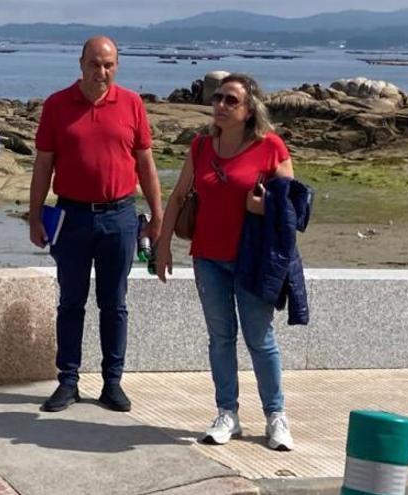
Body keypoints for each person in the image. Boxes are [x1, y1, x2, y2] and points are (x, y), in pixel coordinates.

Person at [155, 74, 295, 450]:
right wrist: (162, 244)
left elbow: (292, 209)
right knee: (220, 339)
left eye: (231, 100)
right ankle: (227, 413)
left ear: (250, 110)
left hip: (252, 261)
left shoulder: (271, 147)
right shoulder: (201, 147)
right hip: (208, 259)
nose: (220, 105)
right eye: (218, 98)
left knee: (260, 340)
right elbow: (179, 196)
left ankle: (276, 416)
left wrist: (263, 207)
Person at [28, 36, 163, 413]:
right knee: (70, 302)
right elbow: (43, 164)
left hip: (119, 216)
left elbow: (146, 164)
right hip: (70, 216)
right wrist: (35, 214)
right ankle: (68, 382)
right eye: (94, 64)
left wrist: (158, 216)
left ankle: (112, 383)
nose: (100, 72)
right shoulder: (57, 105)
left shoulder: (133, 104)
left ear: (116, 66)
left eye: (108, 65)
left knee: (114, 303)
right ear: (81, 63)